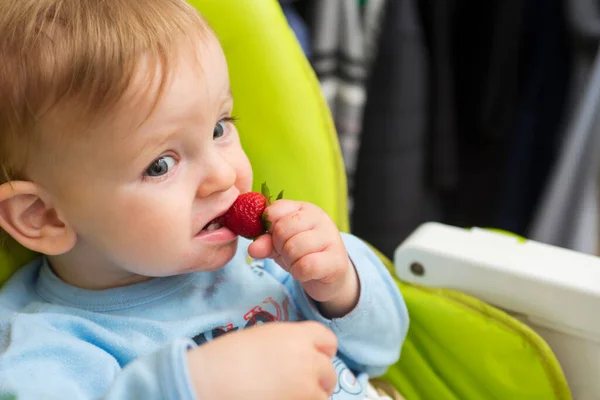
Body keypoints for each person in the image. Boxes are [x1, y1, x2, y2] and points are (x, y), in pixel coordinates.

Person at [0, 1, 409, 399]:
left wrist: (340, 287)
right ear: (44, 217)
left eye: (219, 128)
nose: (223, 175)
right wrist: (188, 387)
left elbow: (381, 352)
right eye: (160, 164)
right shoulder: (55, 348)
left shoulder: (263, 257)